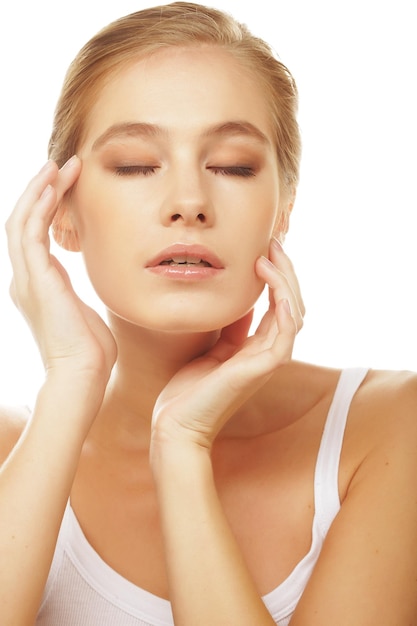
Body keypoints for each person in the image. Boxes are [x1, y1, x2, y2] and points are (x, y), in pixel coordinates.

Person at [1, 2, 416, 624]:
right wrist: (71, 377)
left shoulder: (387, 430)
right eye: (136, 165)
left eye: (231, 166)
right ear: (61, 211)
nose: (190, 202)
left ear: (282, 210)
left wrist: (182, 447)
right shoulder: (14, 449)